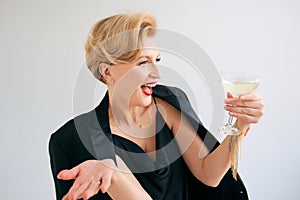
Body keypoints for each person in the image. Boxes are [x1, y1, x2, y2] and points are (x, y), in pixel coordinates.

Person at [49, 12, 264, 200]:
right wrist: (113, 175)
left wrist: (241, 125)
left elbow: (208, 174)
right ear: (107, 72)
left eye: (157, 60)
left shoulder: (168, 104)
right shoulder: (71, 140)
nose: (157, 74)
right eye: (143, 62)